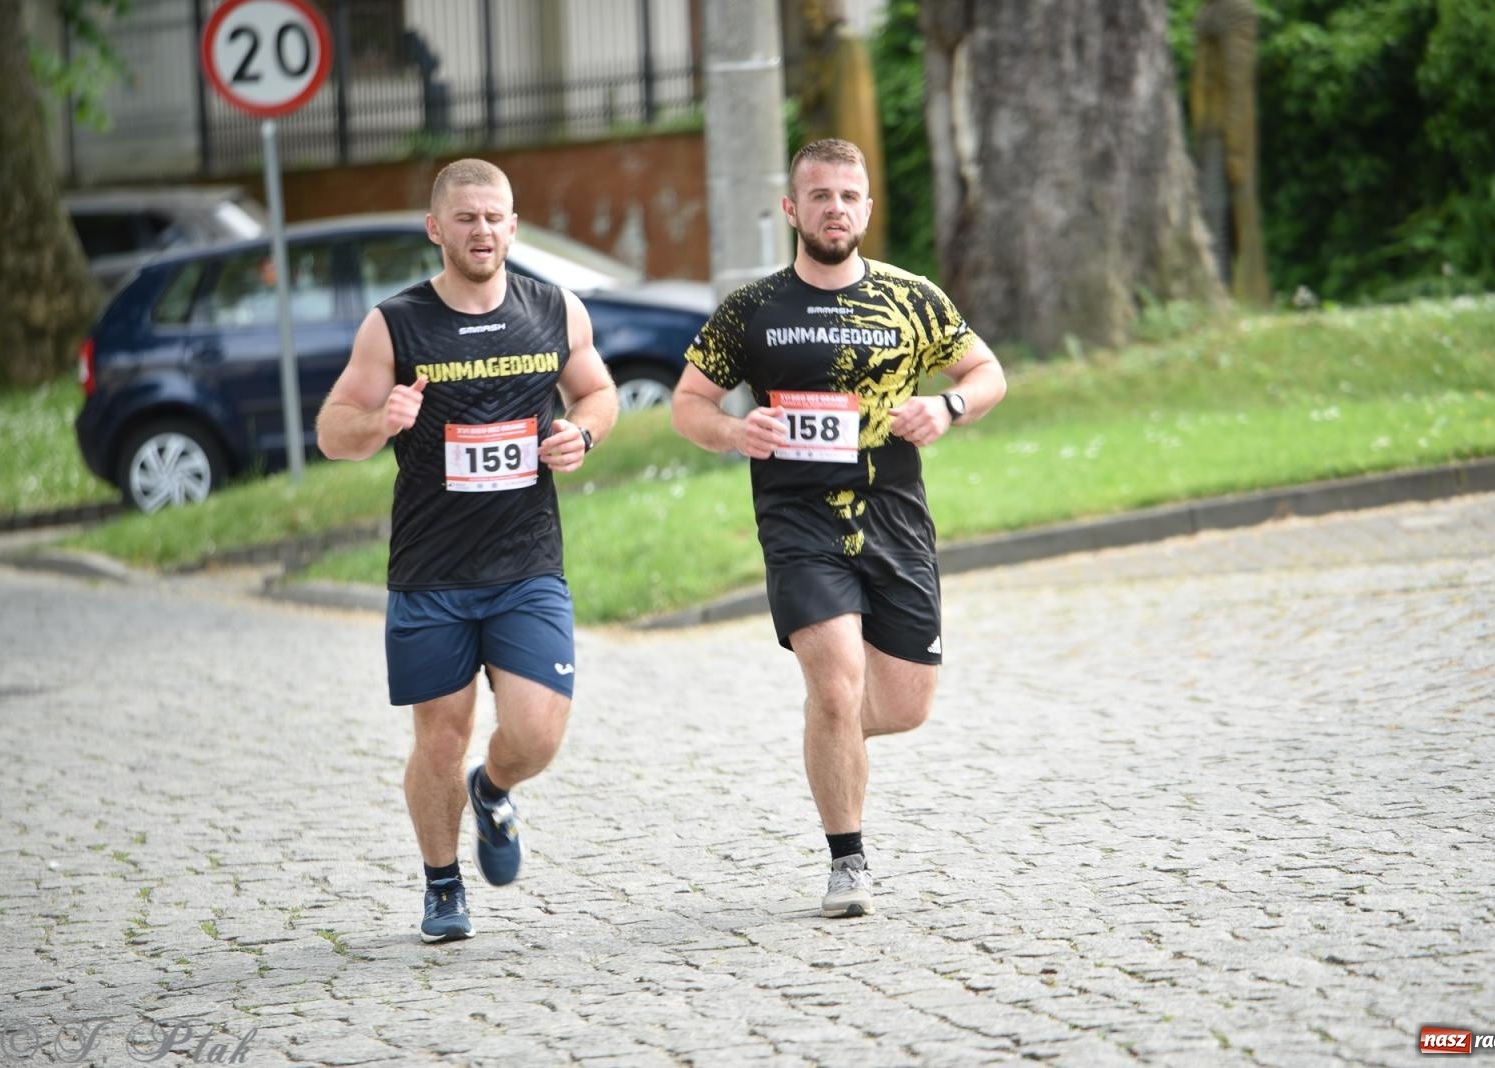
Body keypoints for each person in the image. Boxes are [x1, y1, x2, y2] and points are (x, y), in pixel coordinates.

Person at [671, 138, 1007, 917]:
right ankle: (847, 861)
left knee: (906, 703)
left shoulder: (912, 297)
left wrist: (949, 407)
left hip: (894, 514)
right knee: (835, 683)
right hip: (798, 519)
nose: (835, 210)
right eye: (819, 196)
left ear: (866, 206)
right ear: (793, 209)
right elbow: (689, 402)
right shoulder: (752, 310)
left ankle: (828, 733)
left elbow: (986, 372)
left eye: (848, 196)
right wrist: (732, 432)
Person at [316, 159, 618, 943]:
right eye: (466, 218)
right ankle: (443, 885)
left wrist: (581, 433)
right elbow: (331, 429)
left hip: (526, 564)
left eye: (495, 218)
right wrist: (381, 420)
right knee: (440, 735)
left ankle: (494, 788)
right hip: (431, 571)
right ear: (435, 228)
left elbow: (599, 391)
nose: (482, 231)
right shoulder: (396, 324)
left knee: (538, 732)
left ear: (513, 226)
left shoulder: (554, 309)